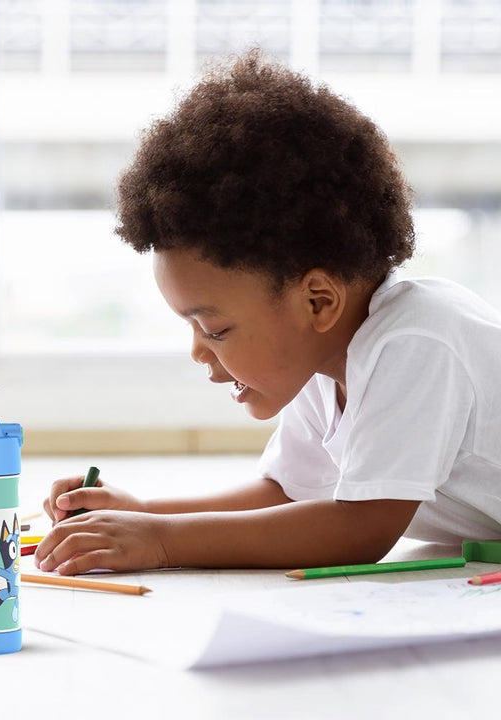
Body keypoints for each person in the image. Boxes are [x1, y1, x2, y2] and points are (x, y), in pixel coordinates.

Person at [35, 49, 501, 576]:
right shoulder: (323, 361)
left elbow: (361, 529)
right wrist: (141, 515)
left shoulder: (417, 341)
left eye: (215, 329)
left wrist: (161, 541)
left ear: (317, 301)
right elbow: (285, 495)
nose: (197, 351)